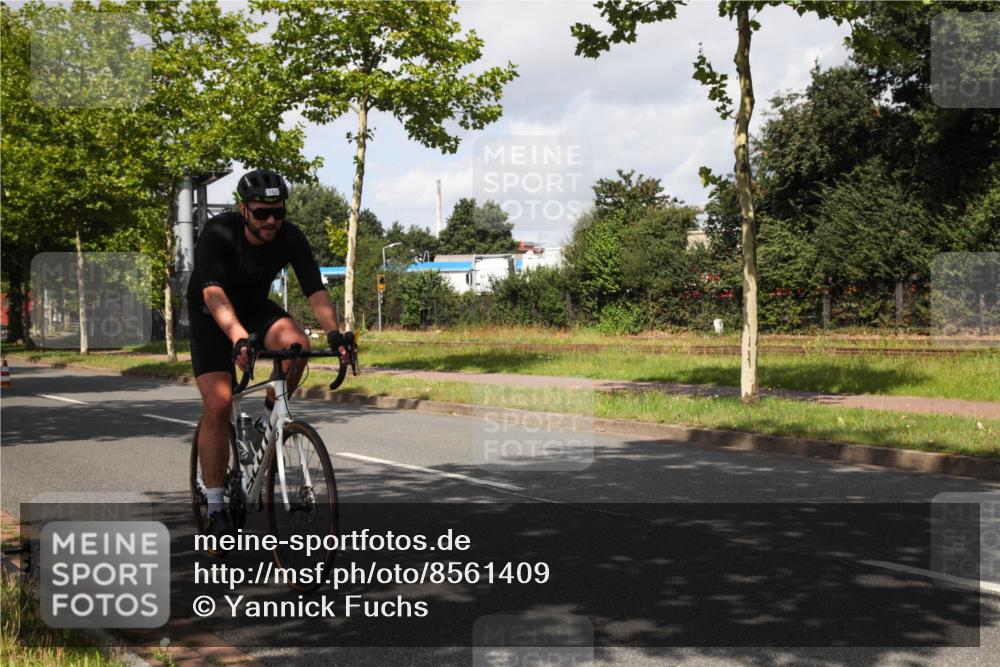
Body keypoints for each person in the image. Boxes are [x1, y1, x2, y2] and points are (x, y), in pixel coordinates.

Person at [186, 168, 349, 549]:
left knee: (297, 347)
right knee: (220, 403)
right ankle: (214, 506)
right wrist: (239, 337)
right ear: (244, 210)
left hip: (255, 307)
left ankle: (268, 417)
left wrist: (334, 333)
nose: (272, 221)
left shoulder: (290, 236)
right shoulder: (218, 233)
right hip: (213, 316)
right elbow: (213, 294)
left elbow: (315, 289)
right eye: (262, 213)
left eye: (278, 212)